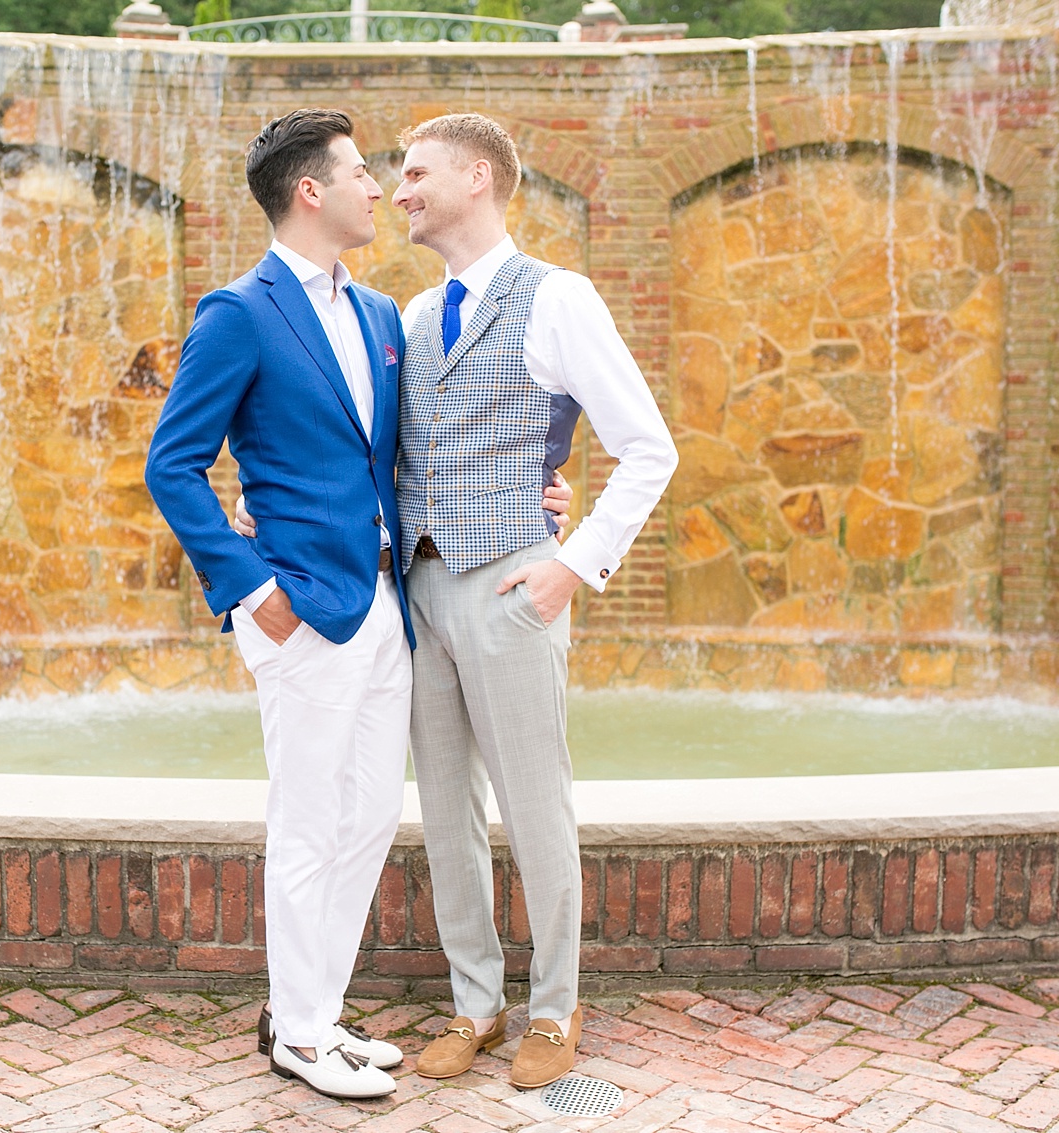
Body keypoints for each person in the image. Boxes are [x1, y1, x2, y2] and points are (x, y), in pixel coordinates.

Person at [391, 113, 678, 1090]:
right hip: (419, 591)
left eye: (416, 171)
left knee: (532, 804)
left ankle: (554, 1005)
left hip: (513, 582)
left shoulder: (558, 298)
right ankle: (475, 1002)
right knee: (442, 808)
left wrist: (574, 562)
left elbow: (647, 445)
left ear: (478, 178)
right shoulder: (409, 318)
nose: (399, 189)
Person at [144, 108, 411, 1100]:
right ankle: (298, 1031)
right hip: (300, 608)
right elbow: (171, 464)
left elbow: (391, 459)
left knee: (372, 815)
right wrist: (252, 591)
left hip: (388, 605)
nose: (376, 187)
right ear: (311, 191)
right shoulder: (238, 312)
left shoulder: (381, 314)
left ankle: (318, 1009)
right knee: (307, 821)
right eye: (359, 172)